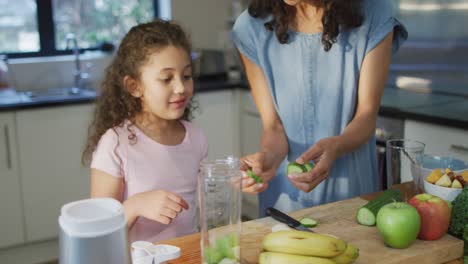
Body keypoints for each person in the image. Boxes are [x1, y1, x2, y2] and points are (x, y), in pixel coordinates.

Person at [231, 0, 408, 215]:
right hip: (285, 200)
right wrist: (268, 159)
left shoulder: (374, 13)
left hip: (351, 195)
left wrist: (337, 145)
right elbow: (274, 126)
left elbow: (366, 115)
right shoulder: (250, 27)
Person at [82, 19, 208, 242]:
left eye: (186, 76)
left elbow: (206, 202)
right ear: (135, 86)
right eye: (166, 78)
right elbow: (97, 234)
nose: (180, 87)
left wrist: (235, 177)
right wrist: (135, 206)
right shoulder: (116, 144)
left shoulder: (195, 137)